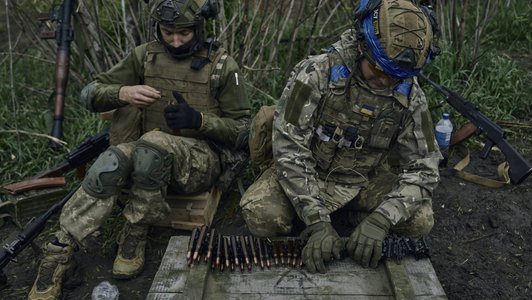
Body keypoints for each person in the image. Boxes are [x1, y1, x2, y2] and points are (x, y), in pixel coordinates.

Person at [29, 0, 250, 298]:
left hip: (201, 161)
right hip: (149, 155)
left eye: (183, 33)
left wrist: (200, 121)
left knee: (151, 144)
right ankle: (60, 248)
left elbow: (243, 131)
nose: (174, 40)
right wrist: (122, 92)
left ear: (197, 28)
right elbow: (89, 93)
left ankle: (135, 232)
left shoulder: (222, 65)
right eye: (168, 32)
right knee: (112, 160)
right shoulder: (145, 56)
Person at [240, 0, 441, 274]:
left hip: (363, 179)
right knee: (262, 217)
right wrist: (316, 220)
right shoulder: (315, 72)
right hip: (309, 172)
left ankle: (357, 219)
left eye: (397, 76)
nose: (386, 82)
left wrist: (382, 219)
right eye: (379, 70)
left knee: (420, 220)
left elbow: (425, 167)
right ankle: (327, 221)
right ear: (362, 47)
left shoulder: (410, 94)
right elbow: (288, 148)